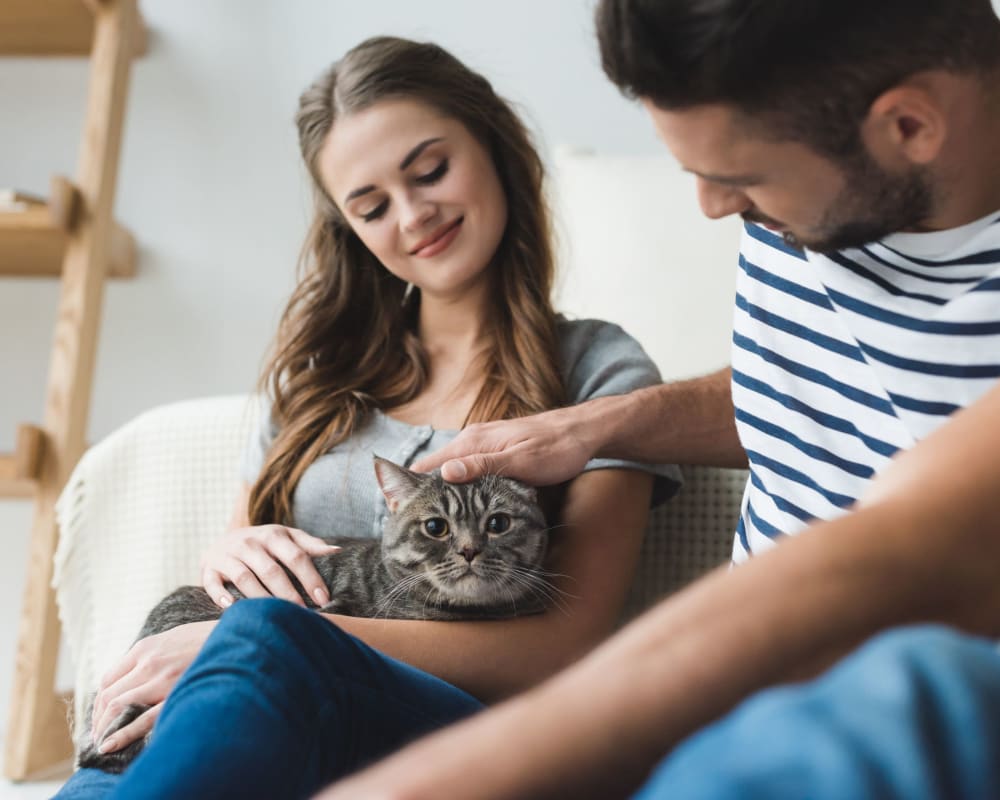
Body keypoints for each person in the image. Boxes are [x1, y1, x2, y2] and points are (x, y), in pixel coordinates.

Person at [316, 1, 1000, 798]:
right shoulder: (816, 201)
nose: (714, 208)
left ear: (909, 127)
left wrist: (457, 774)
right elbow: (809, 385)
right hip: (749, 716)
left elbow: (914, 550)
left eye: (739, 179)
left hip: (885, 720)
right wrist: (598, 425)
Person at [53, 36, 679, 799]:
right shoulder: (316, 384)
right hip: (249, 707)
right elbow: (231, 568)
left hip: (451, 730)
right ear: (348, 227)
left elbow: (563, 645)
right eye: (372, 206)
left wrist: (273, 638)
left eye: (430, 171)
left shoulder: (598, 373)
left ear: (493, 146)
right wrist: (231, 578)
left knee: (262, 640)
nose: (414, 215)